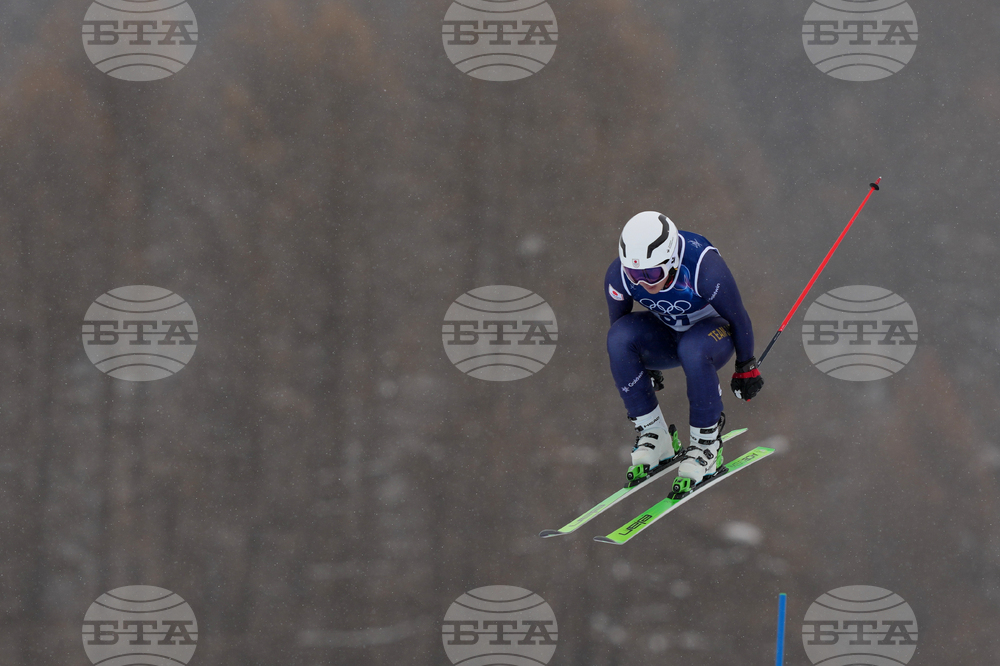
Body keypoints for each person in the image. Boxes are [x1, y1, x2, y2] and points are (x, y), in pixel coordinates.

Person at [605, 211, 764, 494]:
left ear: (672, 260)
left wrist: (746, 366)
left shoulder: (703, 267)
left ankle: (706, 447)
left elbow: (739, 318)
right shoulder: (619, 277)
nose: (644, 283)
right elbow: (621, 329)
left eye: (652, 273)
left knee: (693, 348)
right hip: (669, 334)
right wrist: (641, 366)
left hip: (712, 335)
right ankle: (655, 435)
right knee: (618, 338)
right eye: (635, 274)